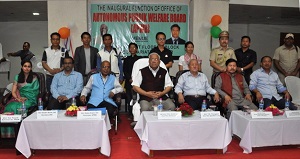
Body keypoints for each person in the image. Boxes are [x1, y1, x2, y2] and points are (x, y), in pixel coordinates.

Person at [1, 60, 39, 138]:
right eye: (25, 66)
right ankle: (9, 134)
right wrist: (18, 98)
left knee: (20, 108)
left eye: (29, 66)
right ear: (22, 67)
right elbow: (13, 91)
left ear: (31, 68)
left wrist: (27, 98)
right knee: (10, 107)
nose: (27, 68)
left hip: (30, 99)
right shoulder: (17, 77)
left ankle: (22, 134)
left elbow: (35, 91)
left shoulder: (34, 78)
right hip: (19, 98)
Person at [123, 42, 140, 118]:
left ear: (136, 49)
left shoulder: (140, 59)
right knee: (129, 98)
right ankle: (130, 113)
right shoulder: (126, 59)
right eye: (131, 47)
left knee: (137, 97)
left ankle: (137, 113)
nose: (132, 49)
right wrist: (129, 78)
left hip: (138, 82)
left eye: (134, 47)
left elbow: (140, 70)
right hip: (129, 82)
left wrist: (136, 79)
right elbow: (125, 70)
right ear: (129, 49)